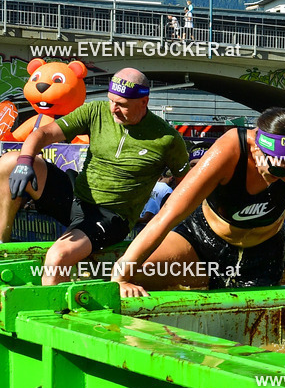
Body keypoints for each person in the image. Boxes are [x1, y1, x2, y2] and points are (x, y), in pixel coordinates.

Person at [112, 107, 285, 296]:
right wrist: (122, 276)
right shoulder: (229, 150)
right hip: (201, 240)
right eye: (277, 169)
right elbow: (169, 213)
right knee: (140, 275)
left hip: (263, 253)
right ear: (256, 150)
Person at [0, 68, 188, 284]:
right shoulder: (97, 110)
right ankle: (2, 244)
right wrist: (25, 161)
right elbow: (44, 133)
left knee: (57, 257)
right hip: (75, 197)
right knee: (9, 162)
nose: (114, 109)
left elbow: (186, 187)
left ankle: (56, 314)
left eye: (122, 105)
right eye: (111, 101)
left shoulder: (168, 138)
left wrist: (165, 229)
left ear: (143, 102)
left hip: (110, 216)